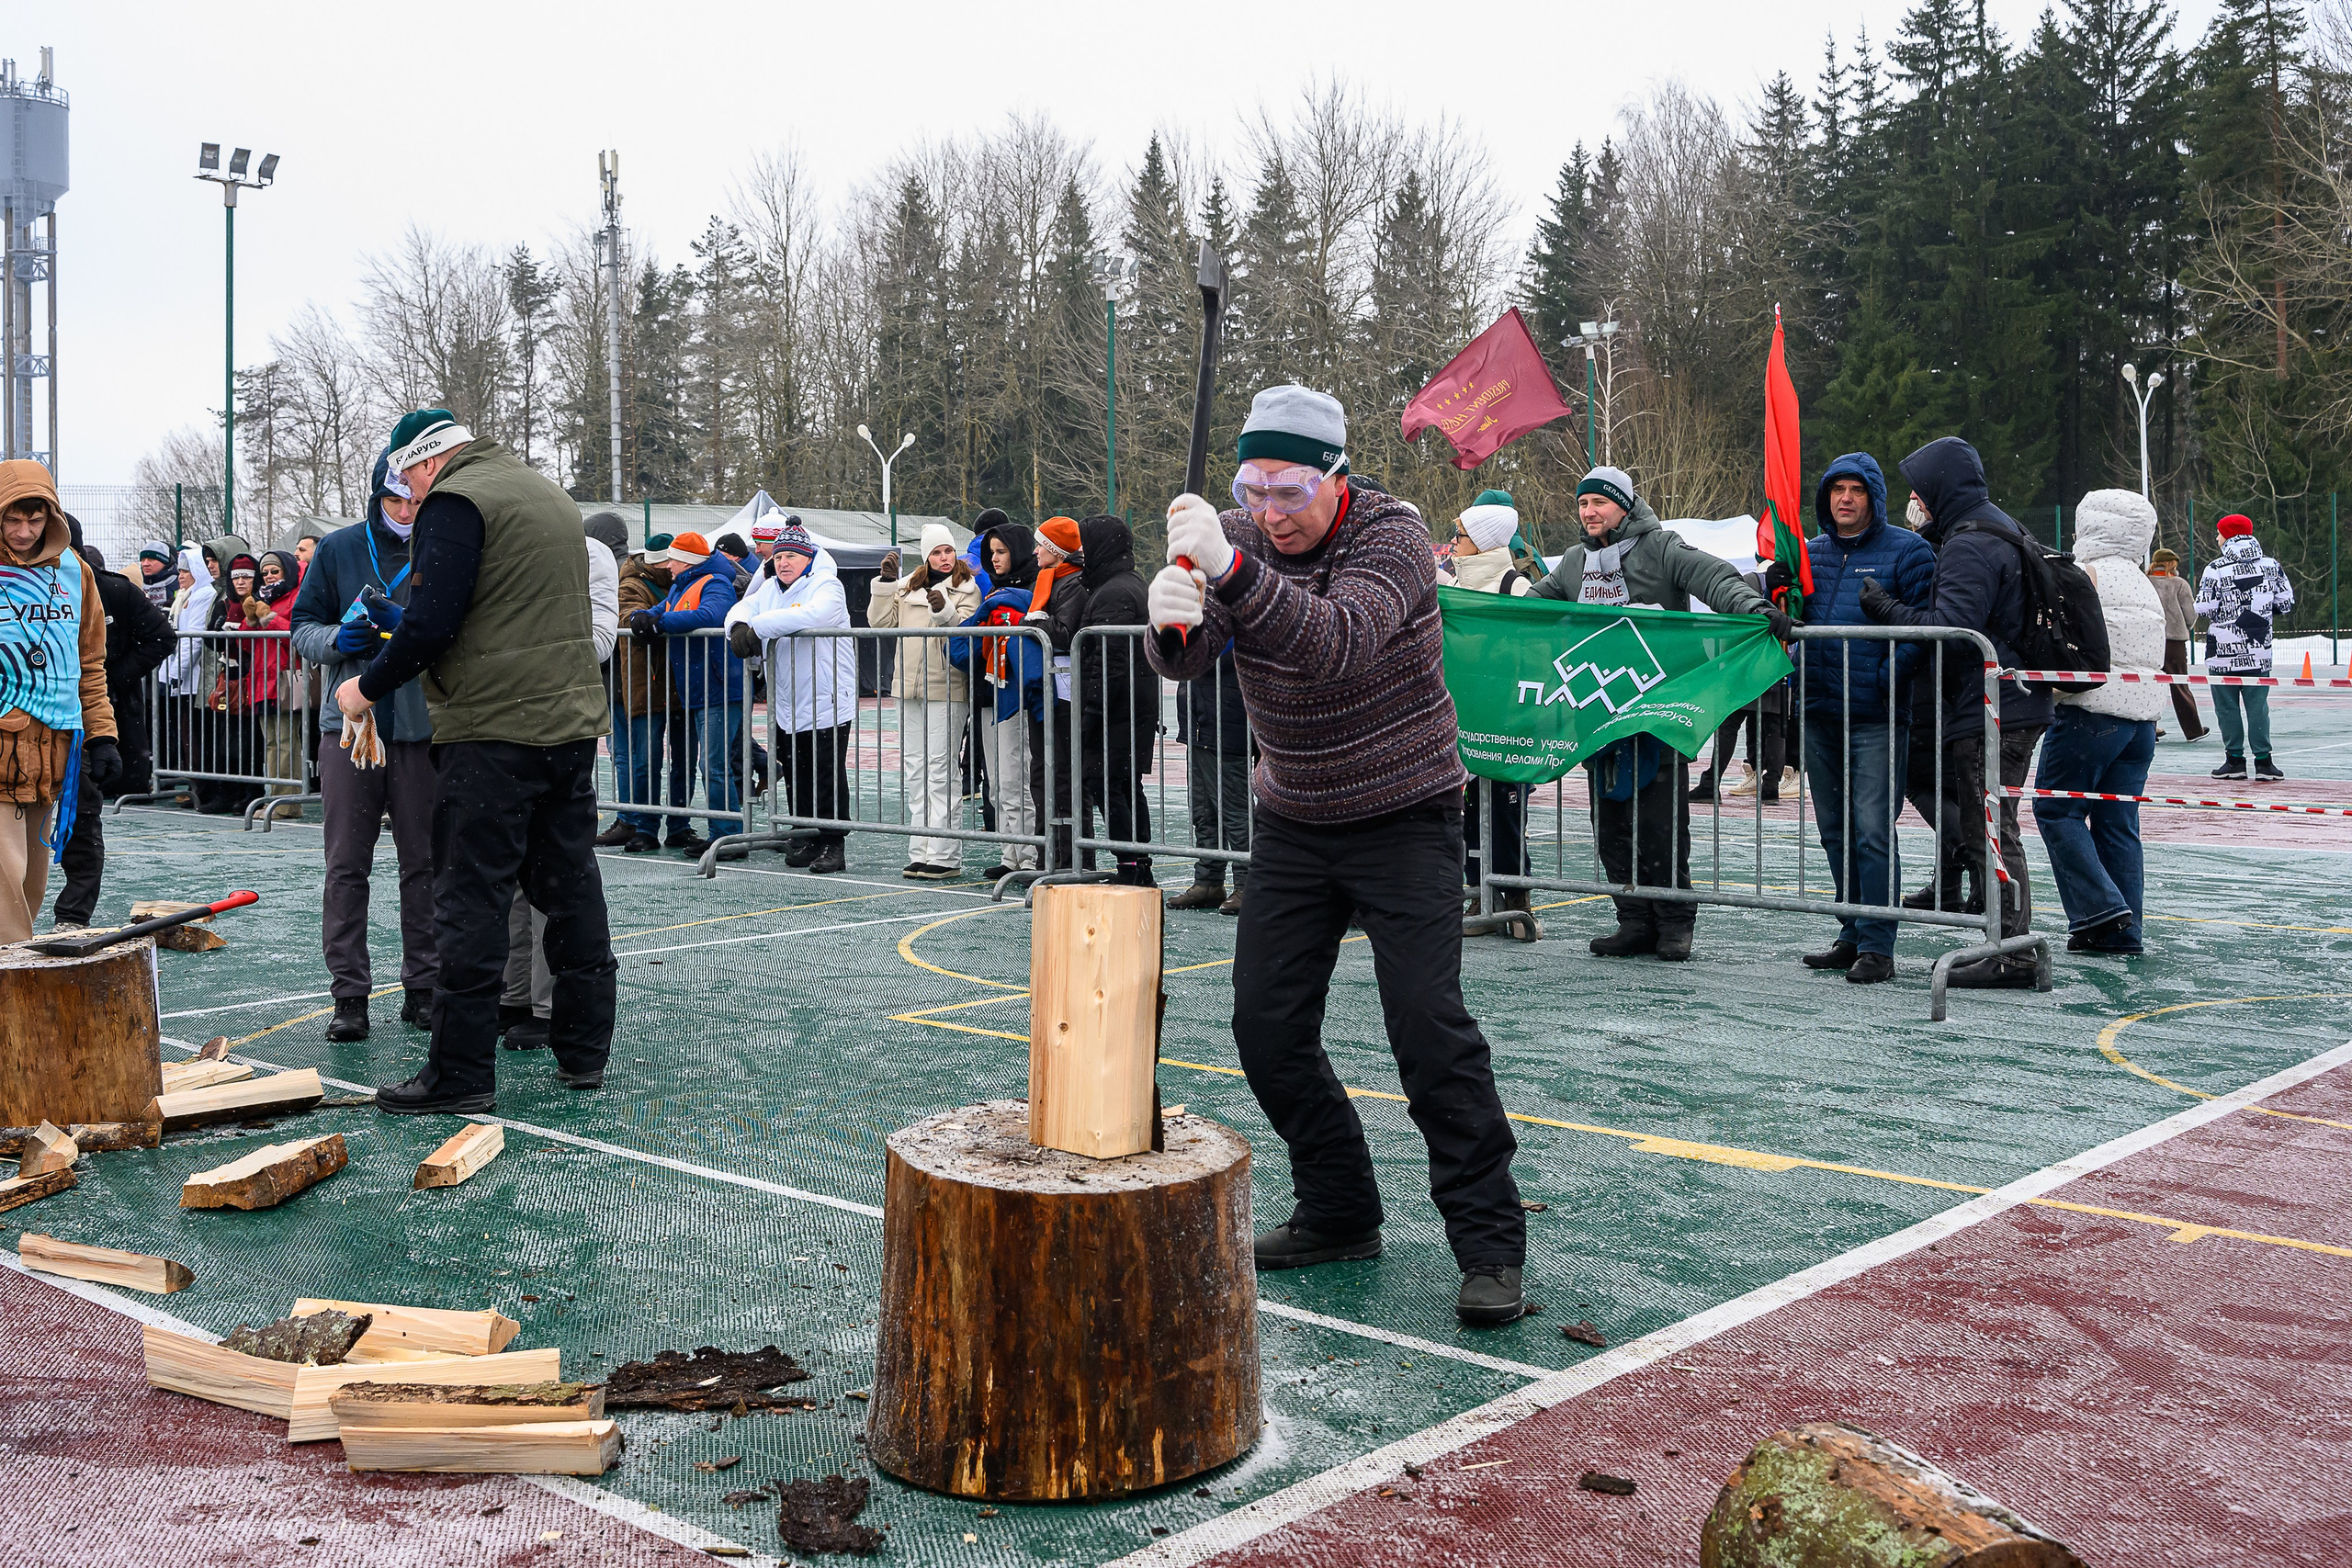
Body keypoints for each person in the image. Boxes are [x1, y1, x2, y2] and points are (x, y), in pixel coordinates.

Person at [1145, 384, 1530, 1325]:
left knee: (1426, 1028)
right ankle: (1340, 1210)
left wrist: (1226, 567)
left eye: (1288, 493)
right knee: (1265, 1028)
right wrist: (1171, 625)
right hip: (1294, 817)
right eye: (1253, 491)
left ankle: (1489, 1247)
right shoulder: (1235, 531)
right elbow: (1199, 657)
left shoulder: (1390, 538)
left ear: (1336, 476)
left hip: (1406, 814)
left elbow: (1336, 644)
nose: (1269, 514)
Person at [336, 409, 616, 1112]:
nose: (410, 494)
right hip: (569, 724)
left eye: (407, 478)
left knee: (470, 897)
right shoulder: (549, 495)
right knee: (571, 886)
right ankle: (585, 1051)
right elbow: (507, 608)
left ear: (424, 462)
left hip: (493, 732)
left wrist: (363, 687)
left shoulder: (458, 500)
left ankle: (459, 1071)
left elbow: (434, 623)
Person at [1526, 466, 1786, 961]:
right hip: (1599, 711)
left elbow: (1716, 579)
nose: (1589, 512)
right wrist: (1482, 614)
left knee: (1661, 823)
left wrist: (1754, 609)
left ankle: (1674, 923)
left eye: (1599, 502)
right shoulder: (1576, 561)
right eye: (1582, 504)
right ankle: (1633, 919)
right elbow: (1531, 609)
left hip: (1657, 709)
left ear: (1624, 505)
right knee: (1612, 822)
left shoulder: (1663, 547)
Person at [1860, 435, 2054, 989]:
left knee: (1991, 828)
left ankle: (2009, 949)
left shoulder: (1971, 543)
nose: (1914, 500)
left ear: (1941, 488)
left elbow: (1954, 630)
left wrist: (1887, 608)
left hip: (1994, 705)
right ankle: (2007, 942)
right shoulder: (1998, 526)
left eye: (1920, 489)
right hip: (2009, 699)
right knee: (1991, 825)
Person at [291, 449, 438, 1042]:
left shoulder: (442, 545)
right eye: (395, 498)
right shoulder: (338, 548)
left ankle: (423, 986)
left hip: (423, 725)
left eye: (416, 499)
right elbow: (303, 628)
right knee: (346, 863)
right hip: (347, 727)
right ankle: (349, 995)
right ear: (378, 494)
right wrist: (337, 639)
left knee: (423, 862)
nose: (405, 509)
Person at [1790, 453, 1935, 984]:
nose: (1845, 498)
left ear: (1875, 497)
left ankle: (1878, 943)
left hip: (1877, 716)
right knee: (1834, 831)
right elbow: (1789, 617)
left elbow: (1926, 629)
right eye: (1836, 489)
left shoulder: (1909, 551)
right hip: (1819, 709)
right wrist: (1776, 589)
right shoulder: (1809, 553)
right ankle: (1850, 931)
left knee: (1872, 830)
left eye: (1856, 489)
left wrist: (1885, 680)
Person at [2035, 490, 2165, 955]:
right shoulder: (2146, 583)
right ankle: (2124, 931)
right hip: (2141, 724)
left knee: (2056, 810)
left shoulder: (2083, 575)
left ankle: (2101, 910)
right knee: (2117, 822)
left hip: (2089, 714)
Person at [0, 461, 119, 944]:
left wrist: (104, 733)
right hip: (2, 736)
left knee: (32, 874)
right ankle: (11, 973)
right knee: (4, 872)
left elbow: (90, 662)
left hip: (57, 746)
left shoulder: (77, 571)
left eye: (36, 519)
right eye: (13, 519)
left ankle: (17, 963)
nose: (25, 531)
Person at [48, 525, 172, 931]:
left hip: (92, 715)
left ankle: (72, 915)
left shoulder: (111, 590)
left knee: (83, 817)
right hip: (27, 721)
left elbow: (161, 637)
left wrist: (113, 676)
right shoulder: (17, 586)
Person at [725, 520, 856, 874]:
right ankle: (807, 835)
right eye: (779, 555)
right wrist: (738, 626)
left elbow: (813, 614)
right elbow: (743, 607)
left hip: (826, 698)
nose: (783, 562)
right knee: (797, 772)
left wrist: (758, 627)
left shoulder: (826, 584)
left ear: (808, 557)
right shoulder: (770, 589)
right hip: (787, 701)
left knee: (826, 774)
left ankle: (833, 842)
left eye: (792, 556)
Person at [868, 523, 981, 879]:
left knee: (941, 768)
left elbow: (963, 630)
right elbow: (880, 624)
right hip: (907, 688)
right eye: (936, 552)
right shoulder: (907, 587)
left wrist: (943, 609)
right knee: (916, 768)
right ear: (925, 555)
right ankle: (920, 848)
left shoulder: (967, 588)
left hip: (947, 687)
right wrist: (885, 587)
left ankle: (945, 853)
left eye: (948, 550)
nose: (944, 558)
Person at [1446, 490, 1534, 918]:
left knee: (1504, 811)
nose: (1453, 544)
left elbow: (1532, 651)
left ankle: (1517, 896)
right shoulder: (1455, 583)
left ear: (1481, 542)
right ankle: (1477, 889)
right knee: (1466, 812)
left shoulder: (1515, 586)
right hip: (1461, 719)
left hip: (1504, 721)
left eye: (1459, 535)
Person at [634, 532, 745, 858]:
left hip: (717, 686)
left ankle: (726, 834)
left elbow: (711, 616)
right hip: (701, 687)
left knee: (714, 765)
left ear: (687, 561)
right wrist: (646, 618)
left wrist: (660, 622)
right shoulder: (684, 585)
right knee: (711, 765)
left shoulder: (715, 583)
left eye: (672, 559)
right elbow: (659, 610)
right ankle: (722, 832)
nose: (667, 566)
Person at [1070, 514, 1158, 887]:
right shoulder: (1127, 584)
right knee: (1122, 784)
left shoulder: (1115, 592)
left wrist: (1091, 711)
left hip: (1117, 709)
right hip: (1129, 706)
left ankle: (1132, 867)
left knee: (1108, 783)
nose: (1080, 552)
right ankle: (1137, 865)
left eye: (1085, 544)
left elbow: (1111, 662)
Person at [956, 520, 1046, 880]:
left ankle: (1028, 856)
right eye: (991, 553)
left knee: (1016, 777)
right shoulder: (994, 592)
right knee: (997, 780)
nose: (995, 559)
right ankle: (1011, 853)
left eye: (1002, 552)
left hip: (1017, 697)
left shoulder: (1037, 589)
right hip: (989, 694)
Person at [2196, 513, 2294, 782]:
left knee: (2226, 707)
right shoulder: (2271, 566)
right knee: (2258, 707)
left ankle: (2235, 761)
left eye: (2219, 533)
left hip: (2222, 653)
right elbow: (2286, 602)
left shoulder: (2215, 568)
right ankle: (2264, 762)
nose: (2216, 538)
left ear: (2227, 535)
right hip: (2258, 651)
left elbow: (2203, 607)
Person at [1023, 516, 1090, 870]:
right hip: (1049, 691)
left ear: (1056, 550)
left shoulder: (1073, 584)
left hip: (1065, 692)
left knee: (1061, 774)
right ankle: (1049, 855)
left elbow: (1065, 632)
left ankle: (1068, 857)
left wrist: (1034, 622)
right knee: (1044, 772)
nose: (1035, 551)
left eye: (1041, 545)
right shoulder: (1052, 581)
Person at [1167, 643, 1250, 914]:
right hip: (1204, 723)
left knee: (1235, 811)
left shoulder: (1228, 616)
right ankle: (1209, 881)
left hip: (1223, 724)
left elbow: (1207, 656)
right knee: (1203, 811)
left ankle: (1247, 884)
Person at [605, 533, 675, 852]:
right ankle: (636, 821)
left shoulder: (678, 579)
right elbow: (628, 615)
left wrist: (660, 619)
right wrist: (646, 620)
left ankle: (649, 821)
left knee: (645, 757)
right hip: (634, 683)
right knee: (634, 757)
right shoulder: (632, 580)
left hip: (658, 682)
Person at [239, 548, 308, 820]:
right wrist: (250, 621)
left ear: (287, 572)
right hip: (261, 680)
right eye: (264, 572)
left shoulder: (297, 597)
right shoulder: (261, 598)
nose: (268, 577)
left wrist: (271, 620)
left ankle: (285, 801)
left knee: (285, 741)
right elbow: (245, 646)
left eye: (274, 571)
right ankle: (279, 799)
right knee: (272, 742)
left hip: (284, 679)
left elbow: (299, 638)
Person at [160, 544, 216, 795]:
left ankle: (199, 786)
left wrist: (175, 674)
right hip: (182, 679)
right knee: (184, 733)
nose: (180, 576)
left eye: (186, 571)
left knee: (192, 734)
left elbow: (191, 639)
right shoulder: (185, 596)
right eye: (179, 571)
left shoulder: (202, 595)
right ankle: (191, 783)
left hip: (191, 679)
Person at [2145, 548, 2208, 742]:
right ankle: (2193, 731)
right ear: (2172, 564)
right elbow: (2190, 613)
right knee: (2179, 685)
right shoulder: (2179, 584)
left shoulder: (2144, 582)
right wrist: (2185, 628)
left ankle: (2148, 730)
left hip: (2147, 639)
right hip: (2174, 641)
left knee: (2147, 684)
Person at [136, 541, 175, 609]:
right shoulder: (137, 583)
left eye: (151, 559)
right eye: (142, 560)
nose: (145, 564)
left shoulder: (180, 583)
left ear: (164, 561)